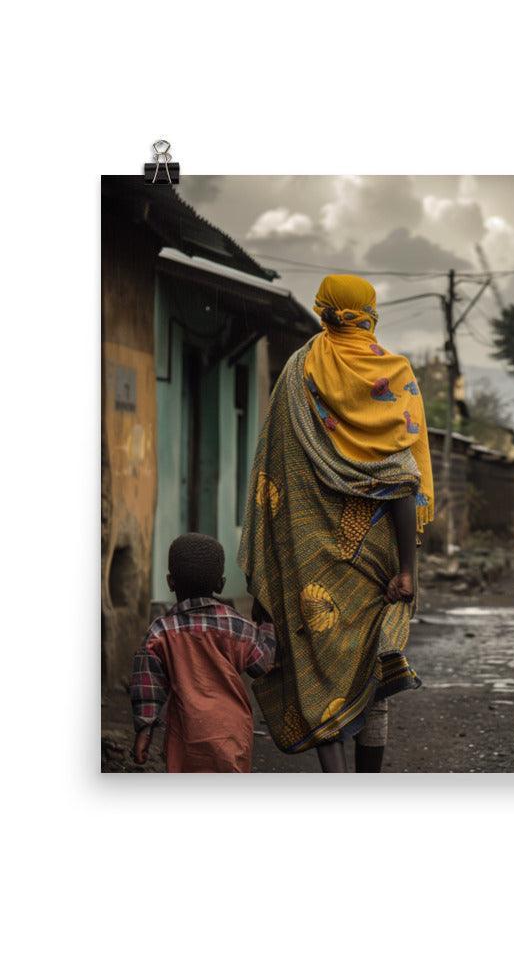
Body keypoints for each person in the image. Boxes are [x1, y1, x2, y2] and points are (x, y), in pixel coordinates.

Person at [239, 275, 434, 773]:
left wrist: (268, 583)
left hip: (310, 560)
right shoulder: (395, 374)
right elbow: (402, 480)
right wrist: (408, 571)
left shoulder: (297, 372)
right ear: (370, 311)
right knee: (373, 671)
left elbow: (273, 473)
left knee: (319, 673)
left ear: (323, 309)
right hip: (380, 557)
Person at [130, 533, 276, 772]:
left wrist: (144, 730)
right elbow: (262, 664)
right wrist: (268, 624)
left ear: (170, 582)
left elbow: (147, 686)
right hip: (233, 734)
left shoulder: (161, 632)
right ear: (221, 584)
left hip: (185, 737)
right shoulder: (238, 626)